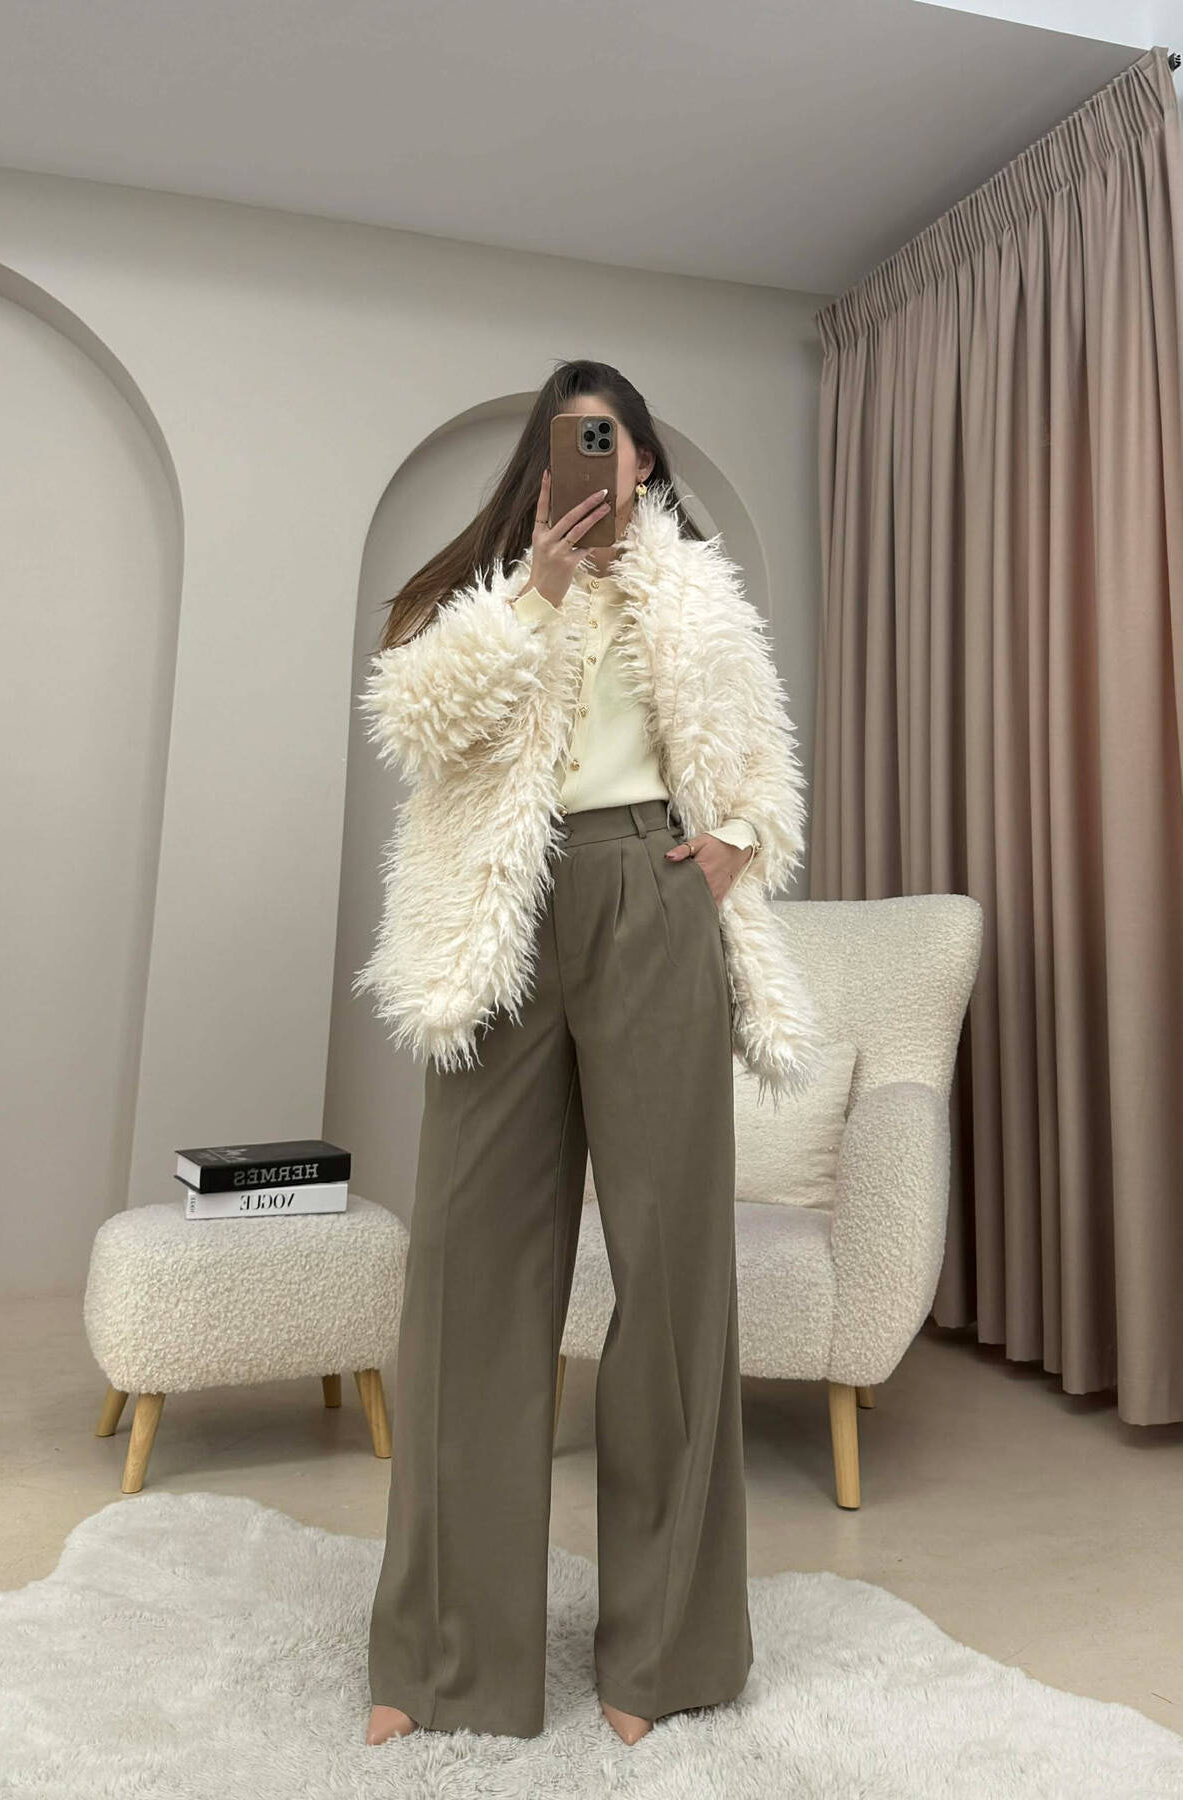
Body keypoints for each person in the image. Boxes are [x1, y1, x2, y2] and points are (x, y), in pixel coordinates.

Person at [356, 360, 821, 1748]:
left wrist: (737, 844)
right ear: (545, 458)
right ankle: (445, 1662)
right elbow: (416, 723)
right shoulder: (487, 593)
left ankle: (666, 1655)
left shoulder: (699, 598)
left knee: (672, 1272)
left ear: (645, 461)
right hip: (502, 910)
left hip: (649, 894)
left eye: (615, 442)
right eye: (577, 441)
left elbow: (760, 766)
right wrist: (538, 595)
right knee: (469, 1275)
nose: (600, 463)